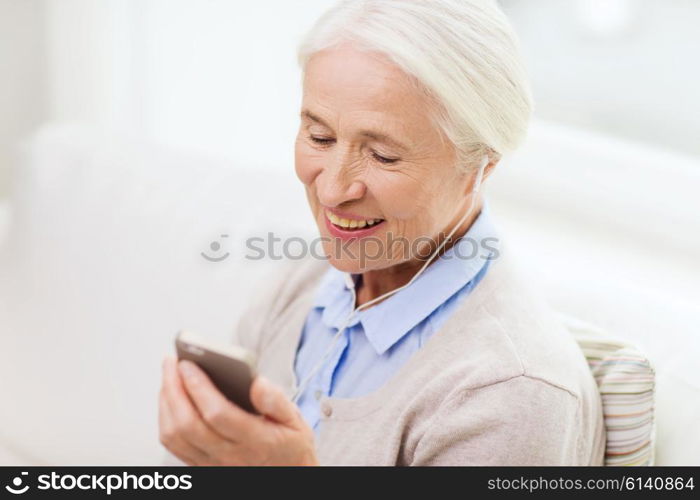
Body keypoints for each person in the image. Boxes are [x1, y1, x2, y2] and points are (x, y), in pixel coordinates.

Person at [159, 0, 606, 466]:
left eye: (383, 156)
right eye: (320, 137)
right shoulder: (306, 282)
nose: (332, 190)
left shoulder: (512, 396)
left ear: (480, 165)